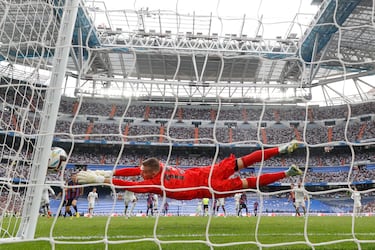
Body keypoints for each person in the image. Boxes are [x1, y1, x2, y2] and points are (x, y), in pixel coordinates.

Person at [77, 141, 302, 200]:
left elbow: (129, 185)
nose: (140, 173)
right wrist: (111, 173)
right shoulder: (159, 167)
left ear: (150, 171)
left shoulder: (155, 184)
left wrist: (104, 179)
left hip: (207, 187)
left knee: (249, 182)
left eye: (142, 171)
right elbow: (130, 173)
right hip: (205, 172)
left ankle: (286, 173)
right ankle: (278, 150)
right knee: (242, 162)